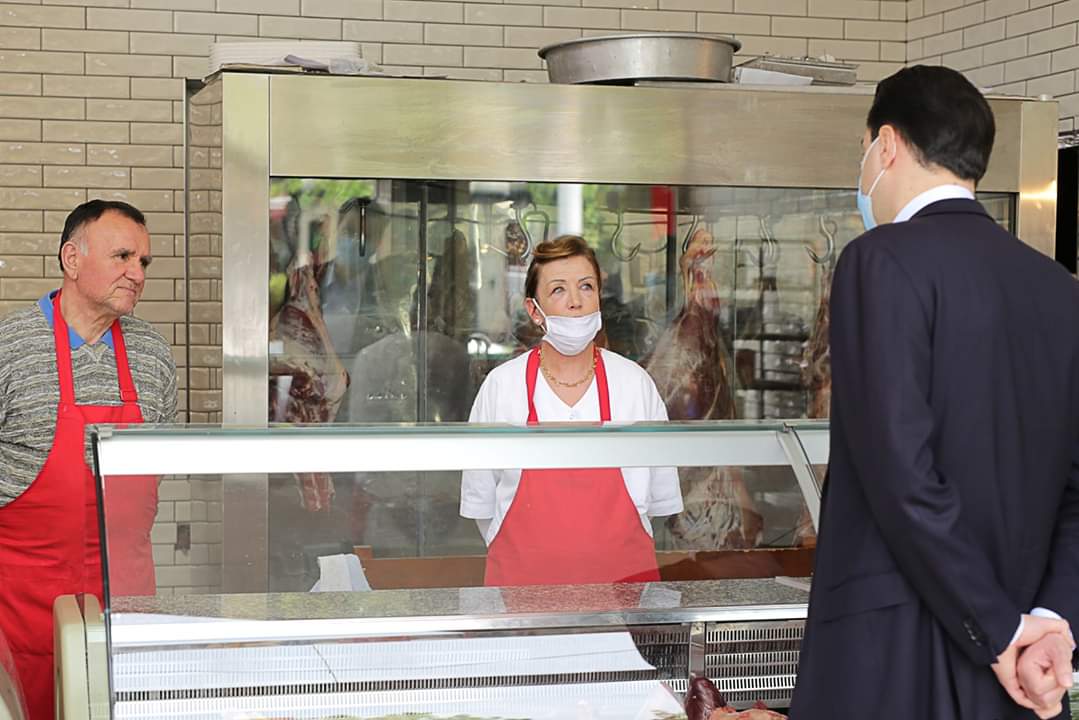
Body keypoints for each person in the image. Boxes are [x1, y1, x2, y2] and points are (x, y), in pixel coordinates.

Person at [789, 65, 1079, 720]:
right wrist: (1050, 624)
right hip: (1022, 676)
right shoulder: (1059, 288)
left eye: (864, 148)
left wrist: (998, 630)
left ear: (887, 144)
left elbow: (903, 475)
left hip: (895, 663)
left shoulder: (880, 260)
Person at [0, 200, 177, 719]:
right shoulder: (10, 347)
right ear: (72, 259)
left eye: (143, 261)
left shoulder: (153, 354)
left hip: (126, 605)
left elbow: (159, 462)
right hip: (20, 611)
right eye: (122, 256)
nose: (137, 273)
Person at [460, 235, 683, 587]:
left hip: (624, 597)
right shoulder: (502, 387)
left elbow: (657, 503)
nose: (576, 301)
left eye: (586, 286)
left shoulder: (634, 384)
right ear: (535, 310)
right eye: (558, 290)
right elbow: (483, 507)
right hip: (523, 596)